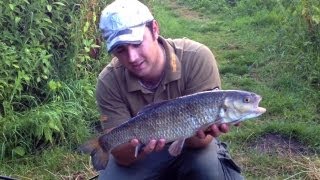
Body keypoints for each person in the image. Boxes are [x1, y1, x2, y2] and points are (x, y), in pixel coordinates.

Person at [96, 0, 243, 179]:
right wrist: (139, 149)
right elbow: (121, 157)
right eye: (120, 50)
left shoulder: (197, 57)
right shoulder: (108, 81)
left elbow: (200, 143)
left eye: (137, 43)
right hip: (143, 151)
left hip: (191, 146)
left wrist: (204, 131)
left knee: (207, 170)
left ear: (155, 29)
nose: (132, 57)